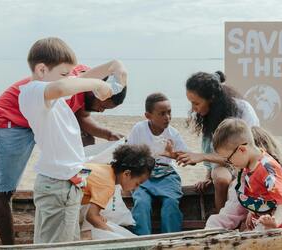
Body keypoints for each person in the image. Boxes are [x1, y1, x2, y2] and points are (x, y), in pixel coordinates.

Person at [0, 58, 126, 244]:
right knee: (5, 191)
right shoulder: (69, 87)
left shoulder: (82, 89)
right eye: (103, 105)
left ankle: (71, 202)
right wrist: (101, 80)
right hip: (9, 123)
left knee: (87, 141)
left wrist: (108, 134)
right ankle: (9, 247)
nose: (101, 111)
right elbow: (64, 94)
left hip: (48, 159)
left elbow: (81, 117)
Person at [176, 71, 259, 211]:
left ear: (212, 98)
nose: (193, 109)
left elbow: (244, 154)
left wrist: (201, 157)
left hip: (250, 163)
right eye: (191, 103)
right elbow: (209, 148)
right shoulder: (209, 115)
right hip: (226, 165)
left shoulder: (242, 110)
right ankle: (221, 217)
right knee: (220, 179)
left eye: (196, 103)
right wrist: (208, 177)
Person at [208, 118, 282, 230]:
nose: (229, 163)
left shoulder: (267, 170)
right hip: (262, 223)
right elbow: (259, 193)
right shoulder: (248, 165)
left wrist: (275, 222)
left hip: (281, 228)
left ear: (241, 150)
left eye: (228, 159)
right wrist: (252, 211)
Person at [127, 93, 188, 235]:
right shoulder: (139, 129)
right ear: (148, 115)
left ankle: (170, 241)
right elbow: (129, 155)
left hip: (167, 176)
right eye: (162, 114)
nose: (167, 117)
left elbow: (188, 158)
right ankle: (143, 243)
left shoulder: (173, 134)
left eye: (169, 112)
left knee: (171, 204)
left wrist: (174, 155)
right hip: (143, 177)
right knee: (141, 203)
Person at [82, 144, 154, 234]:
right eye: (137, 183)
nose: (137, 188)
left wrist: (97, 217)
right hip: (63, 196)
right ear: (126, 174)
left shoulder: (104, 168)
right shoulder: (107, 184)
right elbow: (91, 216)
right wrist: (113, 236)